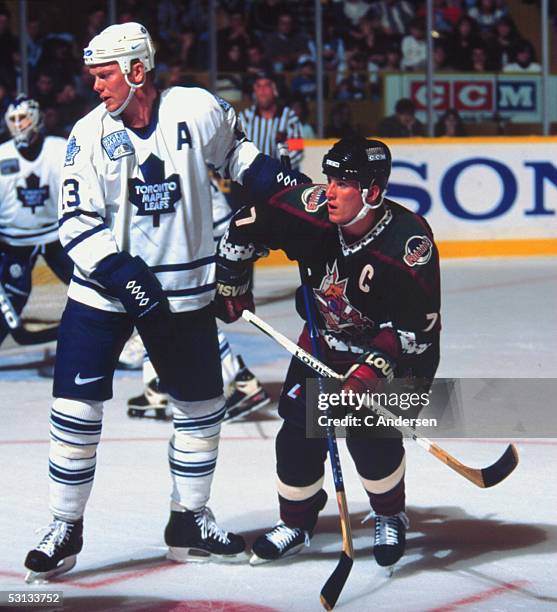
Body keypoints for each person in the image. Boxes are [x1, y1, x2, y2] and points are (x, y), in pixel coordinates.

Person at [23, 22, 263, 583]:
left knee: (202, 411)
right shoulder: (87, 135)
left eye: (104, 74)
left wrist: (282, 188)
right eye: (92, 76)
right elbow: (76, 225)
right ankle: (65, 525)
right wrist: (130, 280)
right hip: (101, 297)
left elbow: (241, 157)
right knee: (75, 416)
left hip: (184, 296)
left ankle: (189, 522)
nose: (96, 86)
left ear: (137, 70)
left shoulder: (195, 108)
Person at [215, 137, 440, 568]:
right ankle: (296, 523)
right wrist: (233, 280)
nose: (330, 192)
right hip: (325, 345)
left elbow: (418, 332)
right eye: (330, 178)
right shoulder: (310, 209)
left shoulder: (409, 245)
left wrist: (366, 375)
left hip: (396, 357)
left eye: (344, 183)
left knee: (370, 436)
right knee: (297, 434)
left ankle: (389, 514)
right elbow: (245, 224)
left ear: (373, 192)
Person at [126, 172, 271, 423]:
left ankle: (242, 381)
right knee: (159, 314)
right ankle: (157, 386)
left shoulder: (179, 162)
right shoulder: (175, 156)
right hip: (205, 243)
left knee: (189, 315)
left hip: (209, 248)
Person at [0, 95, 72, 347]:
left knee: (89, 286)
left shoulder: (59, 148)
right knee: (13, 298)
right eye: (13, 119)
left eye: (23, 117)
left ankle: (114, 340)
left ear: (37, 118)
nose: (18, 124)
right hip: (14, 241)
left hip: (57, 235)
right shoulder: (1, 156)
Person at [239, 72, 304, 170]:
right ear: (254, 91)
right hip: (250, 179)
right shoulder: (245, 117)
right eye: (258, 86)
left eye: (267, 85)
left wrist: (278, 169)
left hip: (280, 179)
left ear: (275, 90)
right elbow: (237, 150)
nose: (262, 91)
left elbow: (298, 150)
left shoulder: (289, 117)